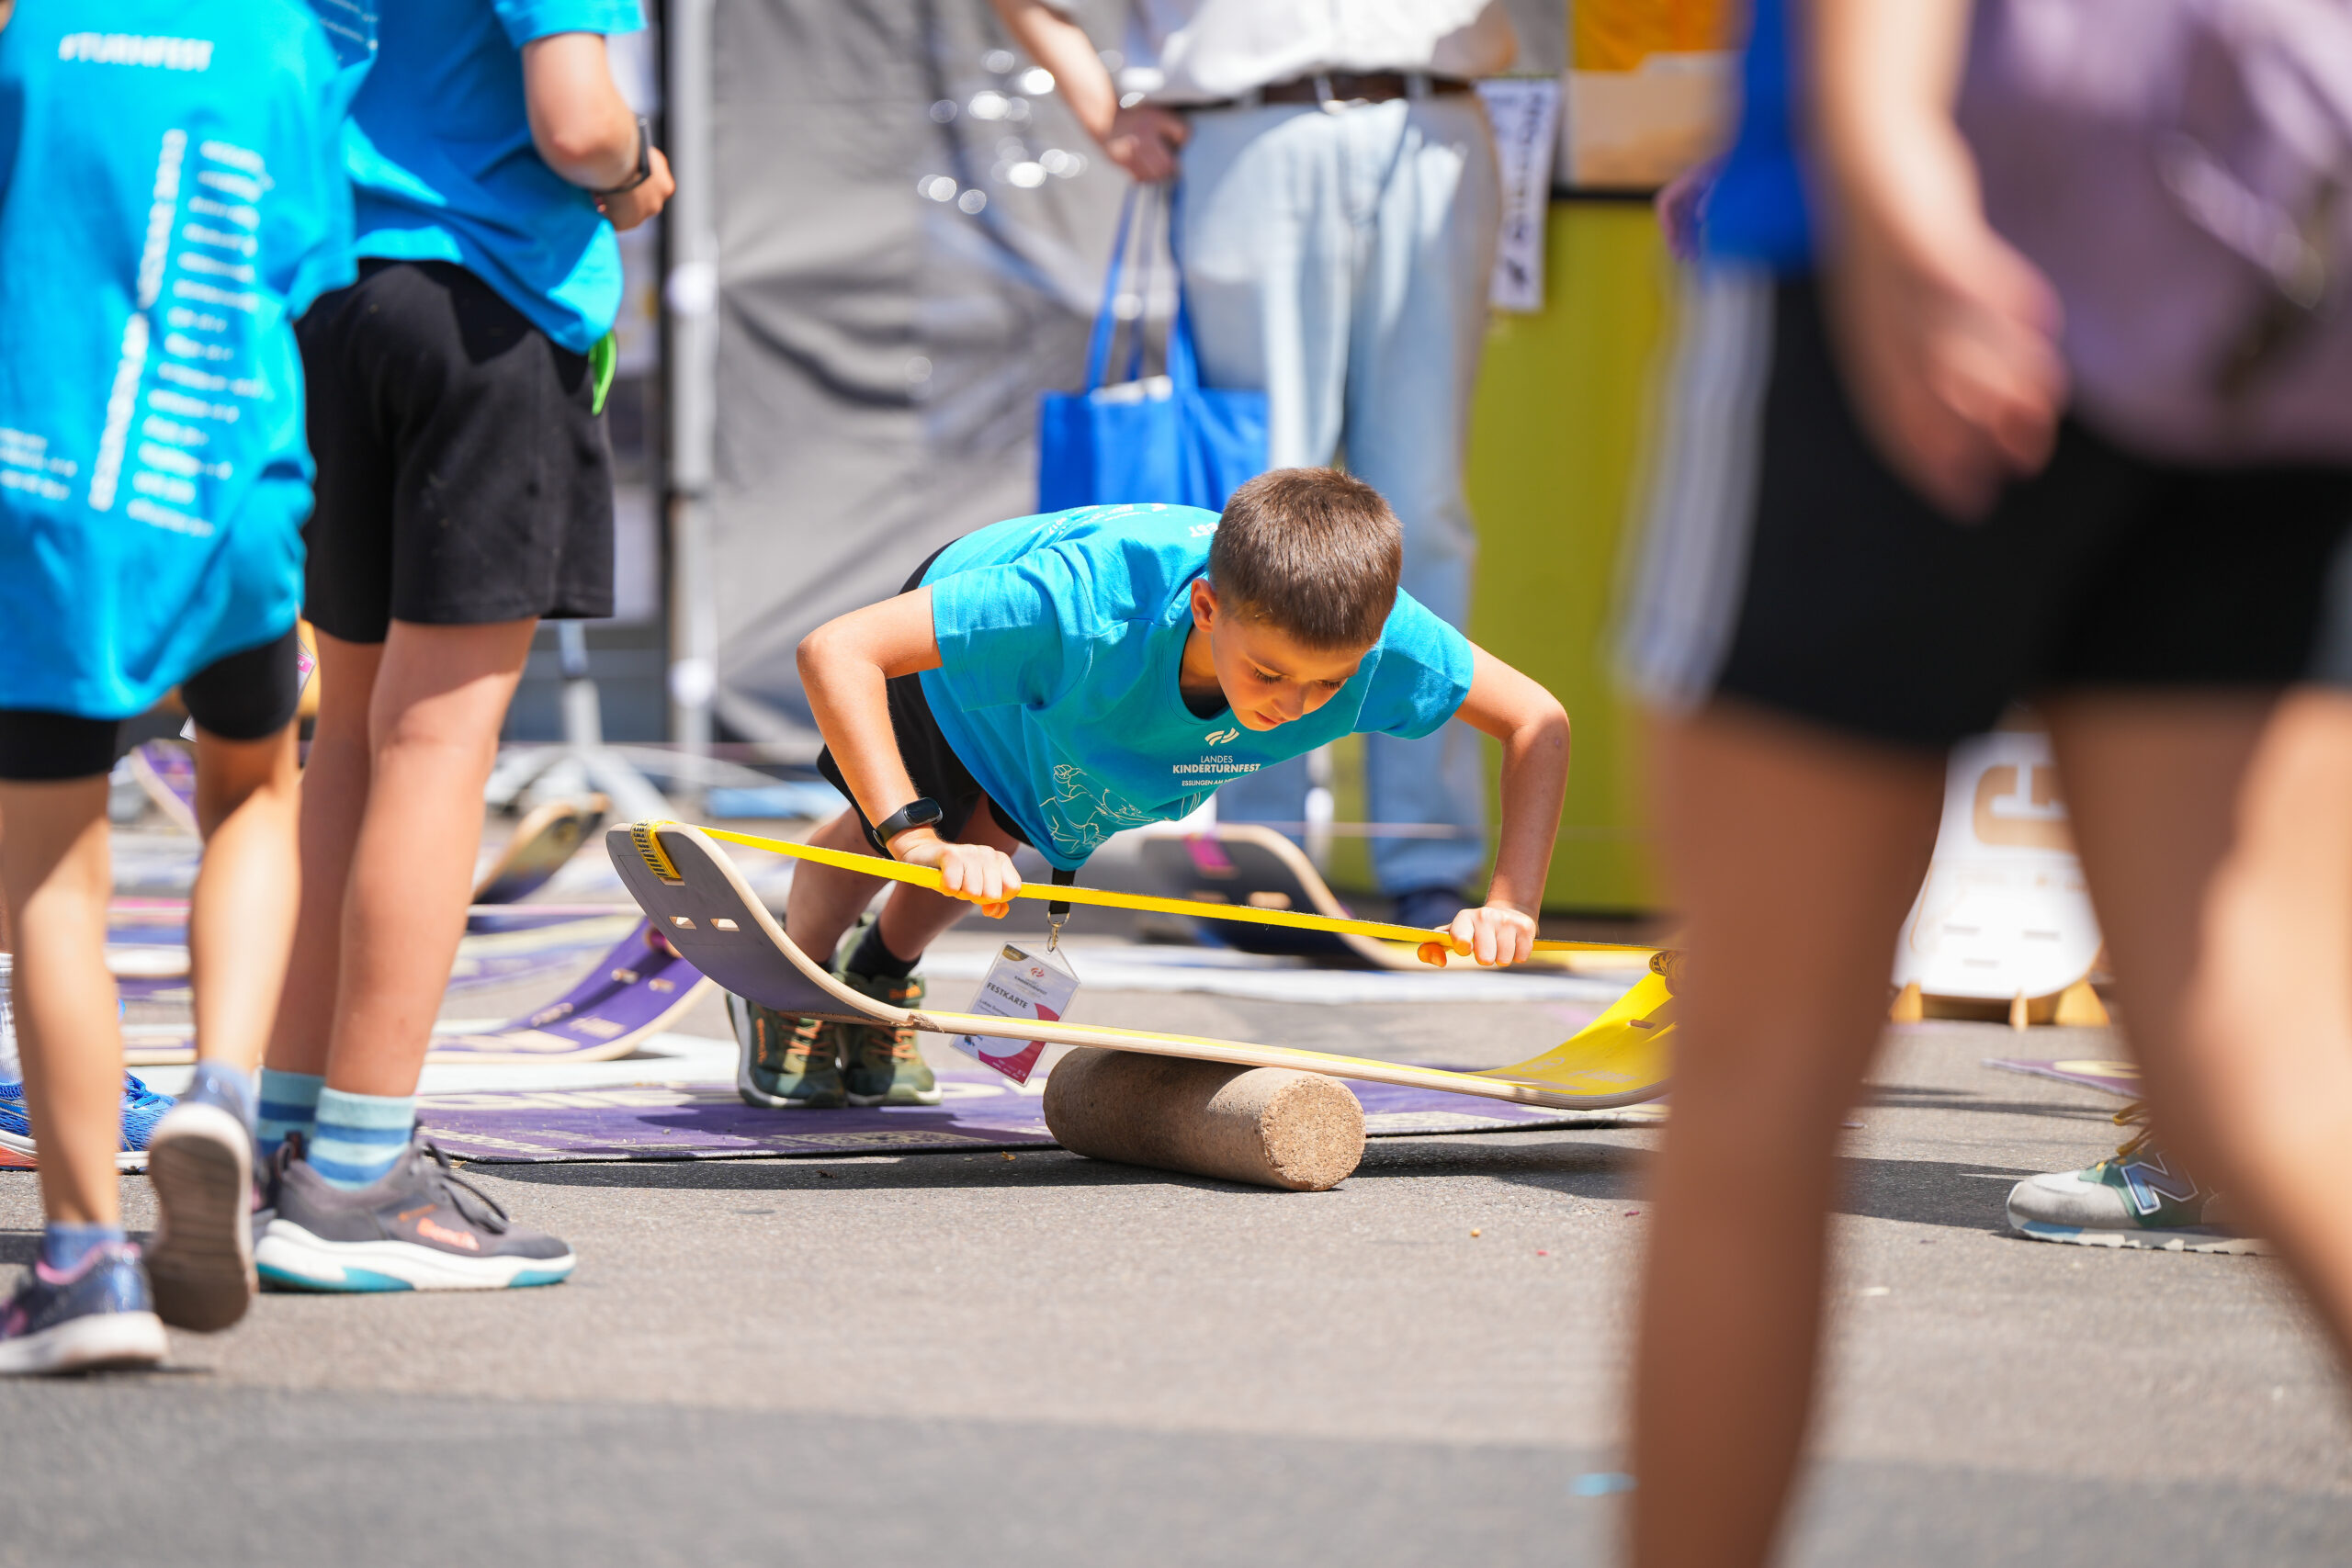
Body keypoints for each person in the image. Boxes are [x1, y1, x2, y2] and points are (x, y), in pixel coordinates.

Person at [1616, 0, 2352, 1562]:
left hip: (1923, 241)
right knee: (2275, 1062)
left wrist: (1892, 164)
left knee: (1762, 1068)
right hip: (2264, 267)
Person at [250, 0, 673, 1293]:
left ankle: (285, 1140)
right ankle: (361, 1174)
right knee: (435, 747)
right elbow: (577, 121)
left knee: (347, 745)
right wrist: (636, 170)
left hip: (328, 304)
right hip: (484, 309)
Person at [734, 469, 1570, 1110]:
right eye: (1269, 673)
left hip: (1084, 704)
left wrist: (1511, 902)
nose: (1292, 707)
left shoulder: (1389, 643)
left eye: (1330, 683)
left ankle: (880, 975)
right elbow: (835, 649)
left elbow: (1538, 720)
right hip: (971, 653)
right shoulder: (1078, 604)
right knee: (913, 829)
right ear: (1206, 607)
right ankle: (793, 982)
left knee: (994, 840)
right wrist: (913, 836)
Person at [991, 0, 1515, 931]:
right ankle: (1259, 849)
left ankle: (1428, 852)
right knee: (1260, 519)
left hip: (1435, 124)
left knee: (1425, 506)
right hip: (1248, 129)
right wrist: (1102, 107)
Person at [0, 0, 351, 1368]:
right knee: (253, 793)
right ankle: (221, 1086)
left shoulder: (27, 39)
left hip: (46, 496)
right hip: (227, 488)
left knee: (52, 875)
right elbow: (306, 267)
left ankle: (84, 1260)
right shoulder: (283, 41)